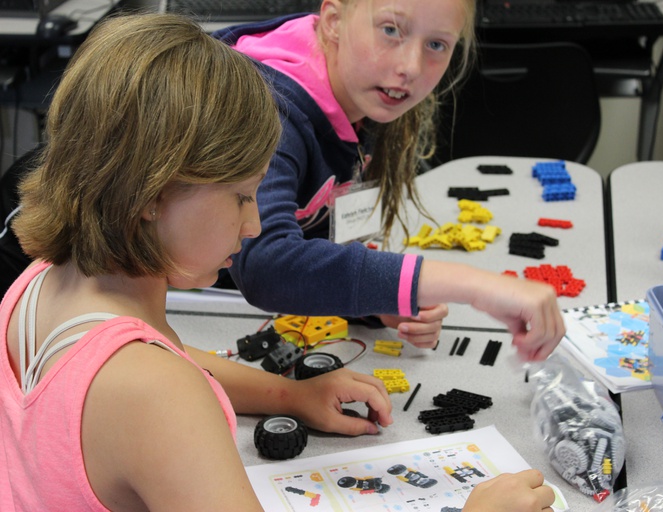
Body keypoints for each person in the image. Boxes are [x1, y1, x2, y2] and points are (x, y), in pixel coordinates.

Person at [0, 12, 555, 512]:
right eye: (242, 197)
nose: (254, 225)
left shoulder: (38, 285)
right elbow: (159, 384)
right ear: (151, 194)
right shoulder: (160, 397)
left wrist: (289, 395)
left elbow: (161, 360)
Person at [214, 0, 566, 359]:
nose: (411, 67)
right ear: (334, 21)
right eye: (390, 30)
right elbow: (266, 265)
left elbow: (312, 232)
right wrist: (473, 285)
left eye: (436, 45)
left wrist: (381, 300)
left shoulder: (362, 91)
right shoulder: (268, 110)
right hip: (191, 316)